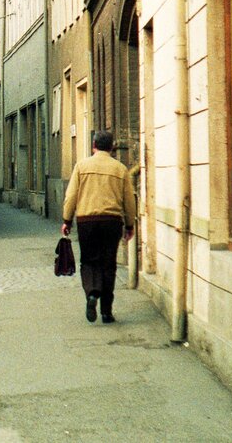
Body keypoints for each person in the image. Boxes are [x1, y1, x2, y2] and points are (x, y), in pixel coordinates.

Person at [61, 130, 137, 324]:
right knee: (108, 264)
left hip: (86, 221)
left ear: (93, 145)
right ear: (112, 147)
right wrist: (130, 224)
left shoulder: (81, 166)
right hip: (112, 221)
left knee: (88, 260)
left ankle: (92, 293)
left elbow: (71, 196)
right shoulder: (120, 169)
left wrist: (67, 220)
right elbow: (129, 200)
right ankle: (106, 312)